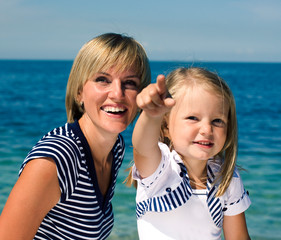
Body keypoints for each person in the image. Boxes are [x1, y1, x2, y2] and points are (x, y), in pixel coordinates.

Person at [0, 33, 151, 239]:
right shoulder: (57, 159)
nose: (117, 93)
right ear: (79, 92)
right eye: (102, 80)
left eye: (130, 83)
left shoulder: (115, 148)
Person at [131, 67, 251, 239]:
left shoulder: (225, 178)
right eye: (193, 118)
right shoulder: (160, 169)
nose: (207, 129)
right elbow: (142, 147)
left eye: (217, 121)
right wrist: (151, 116)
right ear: (165, 127)